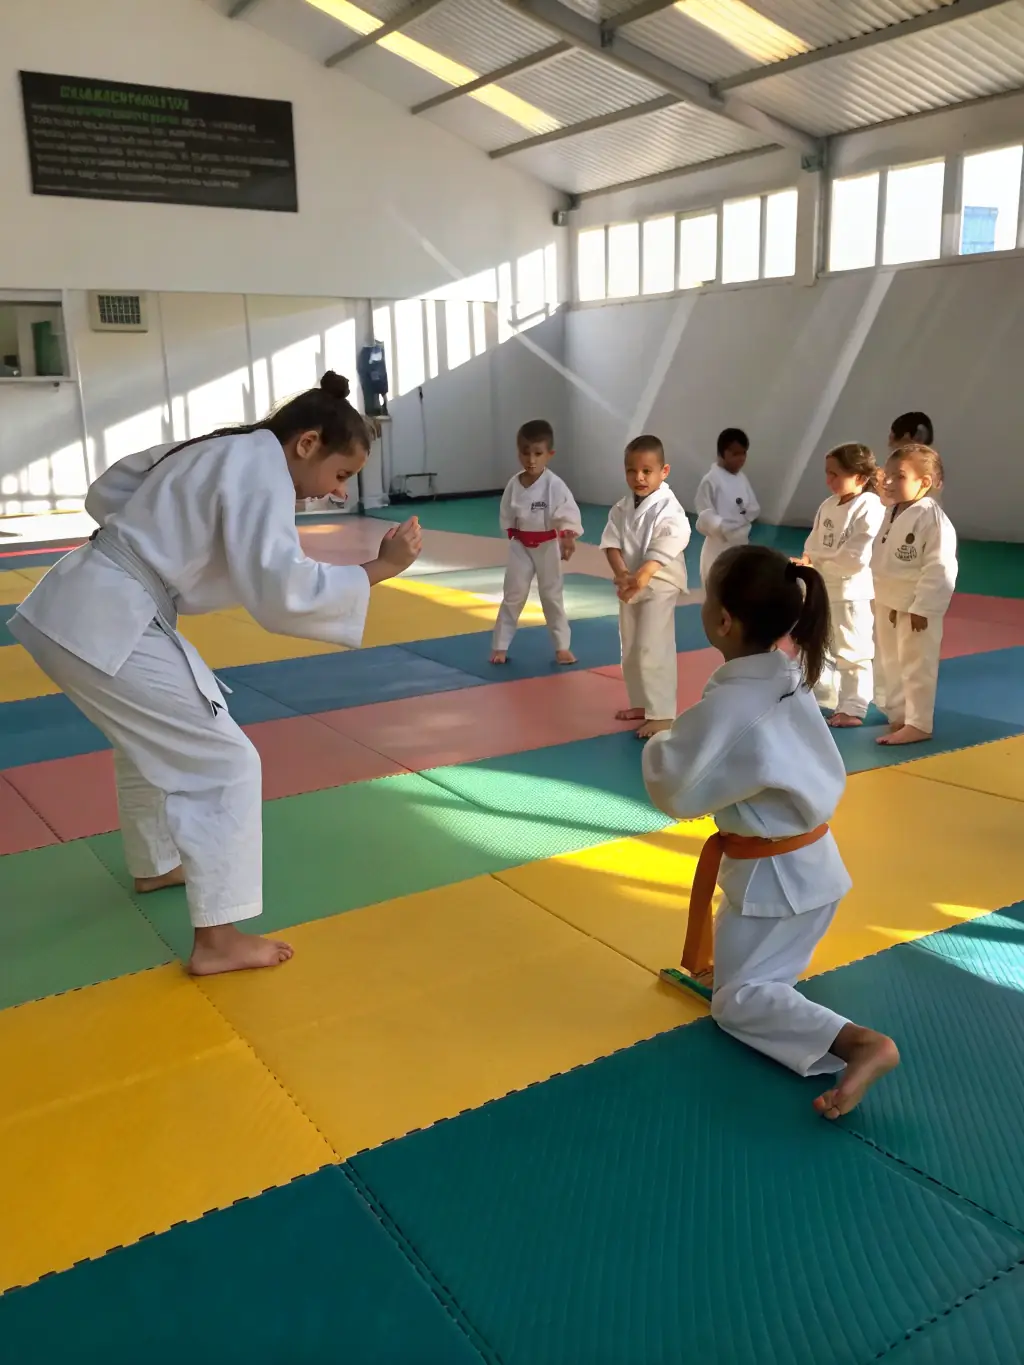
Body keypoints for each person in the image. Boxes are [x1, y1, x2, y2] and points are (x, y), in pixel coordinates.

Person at [10, 372, 422, 977]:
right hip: (108, 615)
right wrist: (380, 567)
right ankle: (218, 938)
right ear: (306, 443)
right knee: (224, 761)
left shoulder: (221, 447)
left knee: (153, 742)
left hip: (79, 604)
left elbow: (108, 490)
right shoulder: (260, 467)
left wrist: (161, 532)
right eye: (341, 476)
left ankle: (155, 864)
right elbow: (281, 590)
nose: (337, 494)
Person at [643, 544, 900, 1118]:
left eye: (707, 598)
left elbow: (676, 791)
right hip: (809, 873)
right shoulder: (788, 676)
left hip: (777, 887)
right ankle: (768, 979)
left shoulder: (738, 703)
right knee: (751, 973)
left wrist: (664, 737)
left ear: (724, 620)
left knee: (737, 1003)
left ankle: (860, 1043)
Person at [600, 435, 691, 740]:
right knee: (631, 648)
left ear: (664, 471)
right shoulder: (622, 507)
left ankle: (663, 713)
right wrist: (623, 574)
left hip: (660, 584)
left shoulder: (669, 507)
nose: (638, 477)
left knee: (654, 645)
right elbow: (611, 543)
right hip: (631, 585)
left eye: (646, 471)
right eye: (631, 471)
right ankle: (642, 703)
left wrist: (641, 577)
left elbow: (669, 544)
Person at [872, 444, 957, 746]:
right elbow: (882, 489)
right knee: (889, 661)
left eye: (901, 476)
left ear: (925, 483)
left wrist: (925, 606)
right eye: (889, 475)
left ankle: (919, 722)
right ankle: (899, 714)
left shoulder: (931, 517)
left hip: (916, 606)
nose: (891, 482)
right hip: (887, 598)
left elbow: (940, 566)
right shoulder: (893, 509)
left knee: (916, 663)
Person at [799, 443, 886, 728]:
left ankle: (854, 706)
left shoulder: (870, 506)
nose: (829, 481)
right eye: (827, 474)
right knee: (817, 646)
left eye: (836, 474)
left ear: (860, 478)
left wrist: (818, 563)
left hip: (852, 592)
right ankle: (828, 698)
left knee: (853, 649)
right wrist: (808, 563)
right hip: (823, 589)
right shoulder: (828, 506)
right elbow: (811, 546)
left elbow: (856, 557)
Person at [491, 419, 582, 666]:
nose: (531, 460)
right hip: (520, 546)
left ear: (549, 455)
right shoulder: (514, 484)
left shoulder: (554, 485)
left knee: (552, 596)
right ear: (518, 452)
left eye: (538, 454)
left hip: (548, 546)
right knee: (513, 594)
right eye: (525, 453)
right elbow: (507, 513)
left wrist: (567, 538)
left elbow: (567, 514)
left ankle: (562, 647)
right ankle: (500, 645)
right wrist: (510, 532)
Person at [694, 427, 760, 587]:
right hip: (718, 546)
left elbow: (753, 507)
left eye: (743, 453)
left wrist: (743, 521)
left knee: (738, 592)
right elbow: (705, 514)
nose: (741, 458)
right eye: (735, 454)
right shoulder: (710, 480)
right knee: (717, 590)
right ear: (721, 453)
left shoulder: (742, 478)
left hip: (741, 545)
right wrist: (724, 528)